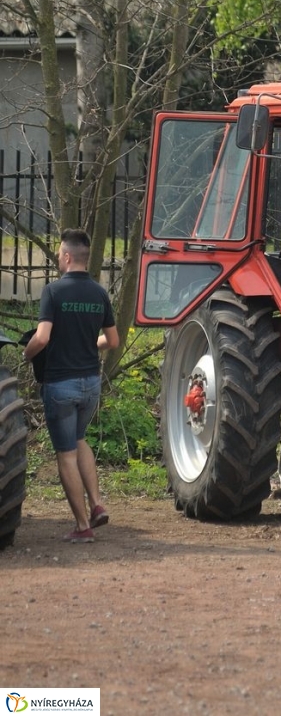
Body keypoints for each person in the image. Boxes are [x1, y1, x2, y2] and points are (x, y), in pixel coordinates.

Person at [24, 228, 120, 543]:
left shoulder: (53, 292)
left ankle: (82, 526)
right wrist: (87, 343)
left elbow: (42, 338)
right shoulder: (99, 293)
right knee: (79, 440)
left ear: (66, 257)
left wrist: (27, 353)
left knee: (65, 454)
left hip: (60, 385)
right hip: (91, 384)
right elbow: (113, 340)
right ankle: (96, 504)